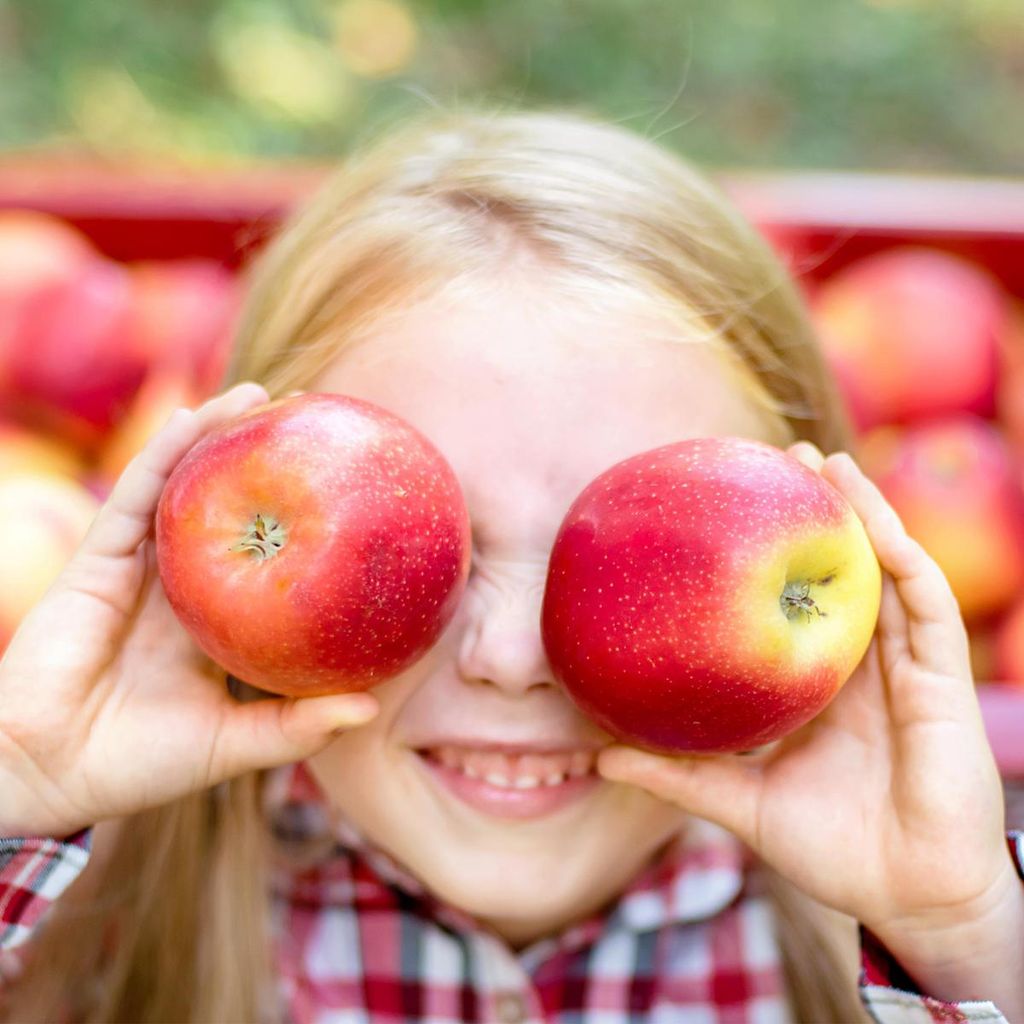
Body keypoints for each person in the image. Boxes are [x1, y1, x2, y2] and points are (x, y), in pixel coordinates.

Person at [1, 110, 1021, 1024]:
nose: (510, 656)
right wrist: (17, 788)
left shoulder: (891, 933)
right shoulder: (89, 930)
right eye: (411, 558)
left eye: (639, 568)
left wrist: (966, 934)